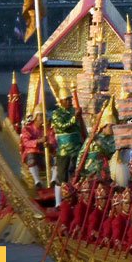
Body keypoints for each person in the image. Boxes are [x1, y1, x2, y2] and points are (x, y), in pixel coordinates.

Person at [48, 77, 85, 205]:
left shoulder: (74, 111)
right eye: (67, 100)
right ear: (61, 101)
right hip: (64, 149)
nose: (70, 101)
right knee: (62, 177)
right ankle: (58, 203)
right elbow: (63, 126)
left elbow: (79, 128)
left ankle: (77, 200)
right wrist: (75, 118)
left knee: (77, 173)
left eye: (70, 99)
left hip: (76, 147)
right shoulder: (56, 114)